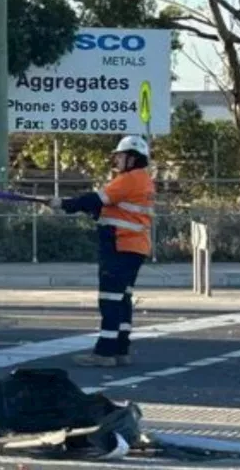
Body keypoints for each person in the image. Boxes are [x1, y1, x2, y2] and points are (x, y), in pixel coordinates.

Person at [50, 135, 155, 368]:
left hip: (120, 246)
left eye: (120, 156)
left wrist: (64, 204)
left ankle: (104, 352)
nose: (117, 160)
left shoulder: (128, 179)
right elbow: (109, 208)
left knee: (109, 300)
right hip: (134, 247)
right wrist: (85, 209)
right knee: (122, 299)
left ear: (131, 158)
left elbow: (97, 199)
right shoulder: (143, 180)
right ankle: (120, 349)